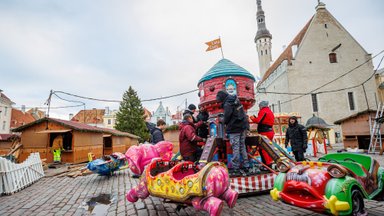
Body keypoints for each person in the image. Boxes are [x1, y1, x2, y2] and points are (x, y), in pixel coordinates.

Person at [216, 90, 250, 176]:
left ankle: (236, 168)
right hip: (243, 126)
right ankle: (246, 166)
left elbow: (227, 117)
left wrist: (222, 121)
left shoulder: (227, 104)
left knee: (235, 147)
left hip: (234, 128)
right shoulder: (235, 99)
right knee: (242, 146)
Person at [250, 101, 275, 167]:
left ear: (261, 106)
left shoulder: (263, 111)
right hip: (270, 131)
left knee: (263, 148)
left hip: (265, 132)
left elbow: (258, 120)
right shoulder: (269, 111)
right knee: (268, 148)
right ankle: (269, 163)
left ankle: (267, 164)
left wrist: (253, 118)